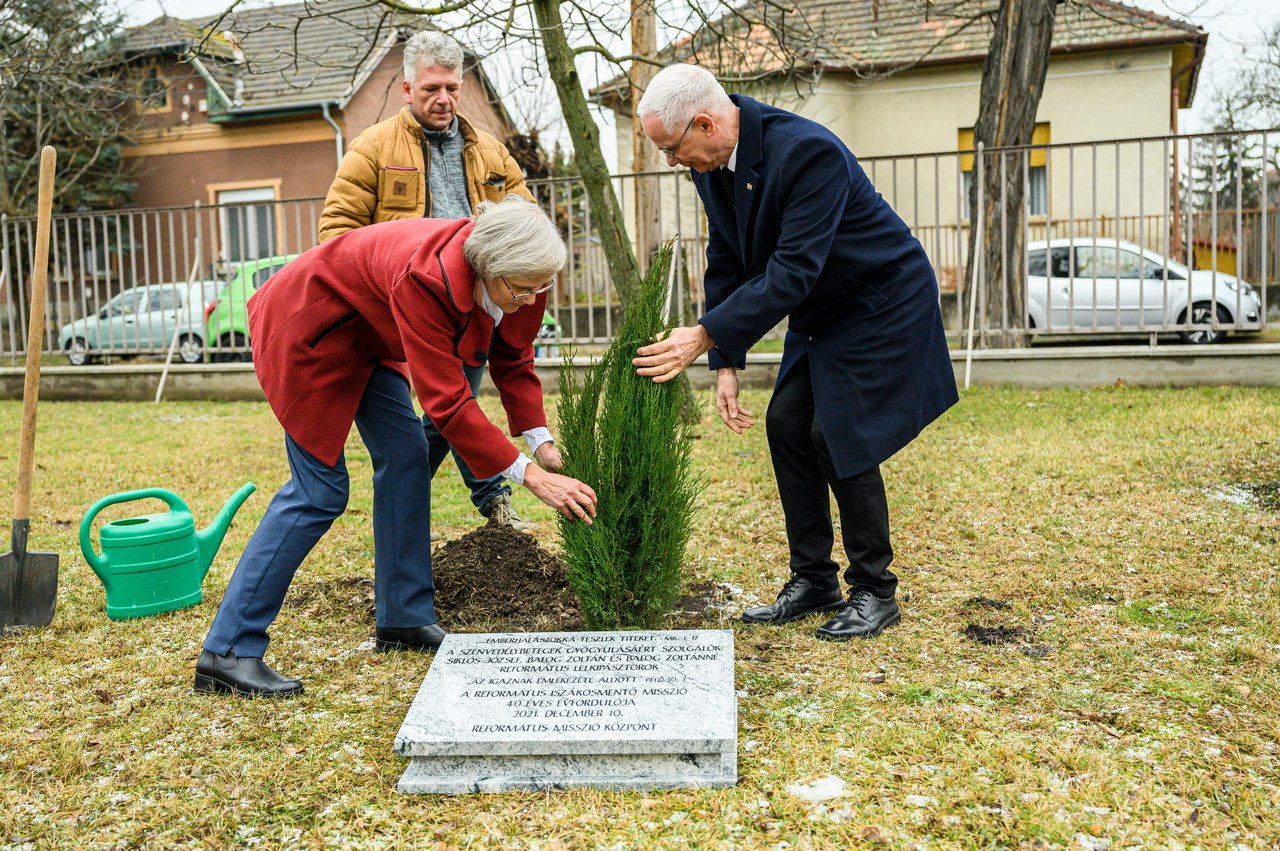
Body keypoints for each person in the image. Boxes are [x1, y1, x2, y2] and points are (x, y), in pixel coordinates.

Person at [195, 197, 597, 698]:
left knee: (406, 456)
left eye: (542, 286)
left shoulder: (526, 275)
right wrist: (530, 478)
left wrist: (544, 446)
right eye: (522, 288)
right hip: (308, 328)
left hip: (368, 333)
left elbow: (513, 359)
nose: (533, 297)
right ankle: (228, 650)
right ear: (489, 269)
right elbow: (448, 403)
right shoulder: (425, 278)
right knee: (318, 492)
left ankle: (404, 618)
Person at [632, 65, 958, 641]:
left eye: (671, 148)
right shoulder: (714, 167)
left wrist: (704, 333)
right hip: (824, 304)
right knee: (786, 423)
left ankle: (874, 591)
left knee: (837, 432)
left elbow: (791, 271)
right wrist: (725, 359)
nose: (670, 161)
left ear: (704, 122)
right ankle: (814, 580)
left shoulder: (808, 152)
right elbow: (728, 261)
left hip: (879, 298)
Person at [319, 31, 535, 534]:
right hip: (404, 308)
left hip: (473, 306)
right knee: (450, 407)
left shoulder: (490, 154)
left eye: (453, 89)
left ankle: (445, 497)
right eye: (432, 88)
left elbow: (526, 223)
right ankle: (485, 497)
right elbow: (336, 237)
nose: (444, 99)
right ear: (408, 90)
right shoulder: (371, 149)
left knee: (447, 411)